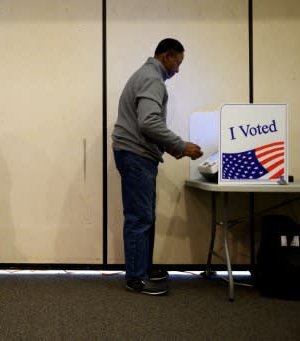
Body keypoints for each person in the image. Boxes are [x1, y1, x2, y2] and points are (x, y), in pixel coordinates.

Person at [112, 38, 203, 295]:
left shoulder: (147, 75)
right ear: (167, 56)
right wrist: (180, 145)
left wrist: (171, 148)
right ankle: (136, 278)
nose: (178, 70)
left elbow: (146, 125)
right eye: (178, 62)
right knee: (139, 217)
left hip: (137, 154)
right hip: (135, 156)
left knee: (145, 216)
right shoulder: (152, 78)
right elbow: (148, 123)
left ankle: (143, 268)